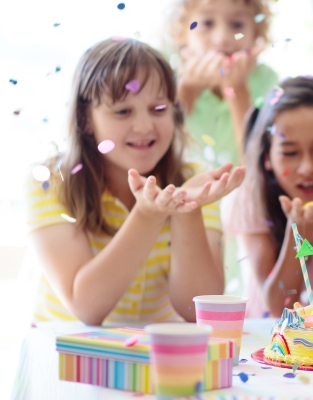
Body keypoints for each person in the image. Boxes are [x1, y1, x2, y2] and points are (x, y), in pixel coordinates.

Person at [24, 38, 244, 325]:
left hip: (154, 357)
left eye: (158, 109)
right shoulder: (51, 181)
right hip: (64, 355)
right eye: (123, 111)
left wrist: (186, 209)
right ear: (85, 118)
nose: (144, 127)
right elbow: (86, 306)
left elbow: (197, 311)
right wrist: (147, 215)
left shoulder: (193, 180)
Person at [225, 77, 313, 317]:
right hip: (268, 342)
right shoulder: (252, 197)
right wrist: (299, 234)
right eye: (290, 152)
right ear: (267, 156)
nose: (307, 168)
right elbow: (279, 306)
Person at [168, 0, 278, 166]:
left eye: (237, 24)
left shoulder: (267, 82)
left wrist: (237, 90)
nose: (222, 38)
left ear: (256, 33)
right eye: (207, 23)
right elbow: (162, 152)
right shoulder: (168, 80)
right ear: (182, 32)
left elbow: (258, 165)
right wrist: (187, 90)